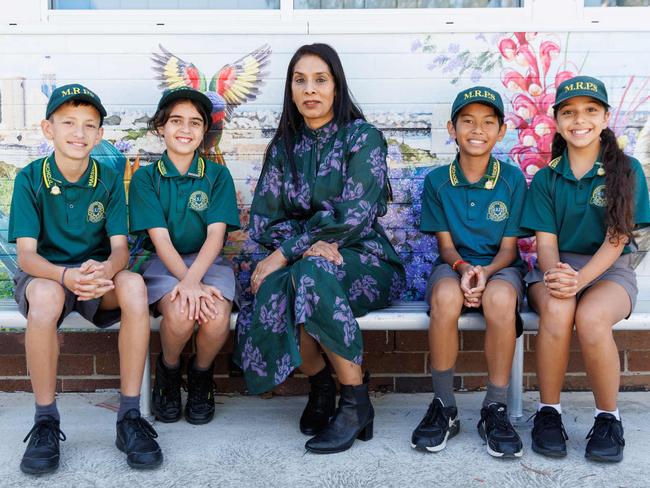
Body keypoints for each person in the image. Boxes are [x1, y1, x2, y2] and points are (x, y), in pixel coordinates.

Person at [234, 43, 405, 454]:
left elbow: (356, 215)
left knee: (307, 275)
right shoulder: (284, 147)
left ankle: (355, 402)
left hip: (366, 261)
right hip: (309, 261)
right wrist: (306, 246)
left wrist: (291, 249)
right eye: (300, 80)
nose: (310, 89)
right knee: (285, 281)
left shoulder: (363, 138)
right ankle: (322, 386)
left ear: (336, 86)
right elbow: (262, 221)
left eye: (320, 79)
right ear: (291, 90)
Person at [9, 84, 163, 473]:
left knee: (134, 286)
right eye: (68, 123)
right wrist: (66, 275)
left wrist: (106, 271)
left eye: (89, 125)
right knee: (45, 297)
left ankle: (129, 417)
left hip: (95, 279)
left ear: (99, 134)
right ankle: (45, 420)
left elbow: (120, 250)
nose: (79, 133)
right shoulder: (31, 178)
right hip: (47, 276)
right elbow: (26, 256)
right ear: (48, 129)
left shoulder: (109, 178)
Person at [522, 76, 650, 462]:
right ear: (558, 121)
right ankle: (548, 413)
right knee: (559, 309)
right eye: (569, 112)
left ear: (606, 116)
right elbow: (546, 243)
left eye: (591, 110)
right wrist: (557, 276)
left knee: (592, 318)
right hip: (557, 268)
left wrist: (581, 280)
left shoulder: (627, 170)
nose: (580, 119)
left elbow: (617, 239)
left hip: (610, 270)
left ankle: (608, 419)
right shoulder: (547, 177)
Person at [412, 86, 528, 458]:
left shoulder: (512, 179)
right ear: (452, 128)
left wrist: (484, 272)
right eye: (467, 121)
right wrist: (463, 270)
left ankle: (494, 408)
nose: (477, 129)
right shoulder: (437, 181)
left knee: (500, 299)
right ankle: (444, 407)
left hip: (500, 267)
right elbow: (446, 248)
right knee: (445, 297)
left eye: (487, 122)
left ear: (501, 130)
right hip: (454, 266)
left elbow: (509, 251)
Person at [129, 87, 240, 425]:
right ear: (161, 126)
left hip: (208, 261)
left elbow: (216, 236)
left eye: (195, 122)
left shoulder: (217, 175)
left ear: (205, 131)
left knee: (215, 316)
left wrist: (195, 280)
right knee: (178, 315)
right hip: (164, 263)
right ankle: (169, 371)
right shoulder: (146, 178)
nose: (185, 129)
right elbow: (160, 240)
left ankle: (201, 376)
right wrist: (187, 283)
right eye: (176, 120)